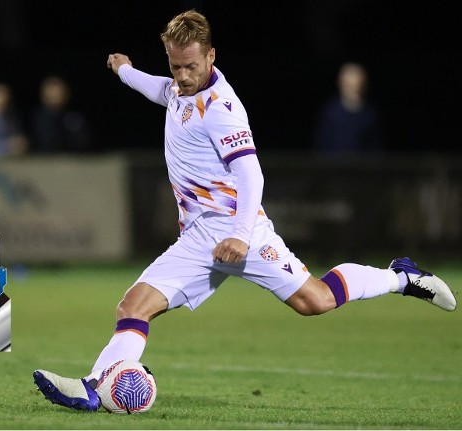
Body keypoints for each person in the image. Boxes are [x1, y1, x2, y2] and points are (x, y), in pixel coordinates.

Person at [32, 10, 457, 411]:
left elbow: (251, 174)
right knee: (132, 306)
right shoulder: (179, 89)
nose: (182, 76)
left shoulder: (221, 109)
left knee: (315, 300)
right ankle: (94, 388)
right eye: (175, 66)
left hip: (237, 231)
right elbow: (158, 88)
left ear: (211, 56)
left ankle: (401, 277)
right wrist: (124, 69)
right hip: (198, 238)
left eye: (190, 66)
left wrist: (240, 234)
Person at [313, 62, 382, 156]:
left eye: (355, 81)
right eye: (347, 82)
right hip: (332, 163)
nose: (351, 86)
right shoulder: (330, 112)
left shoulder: (370, 115)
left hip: (361, 164)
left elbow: (375, 150)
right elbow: (321, 145)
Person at [30, 76, 93, 153]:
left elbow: (84, 141)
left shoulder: (73, 116)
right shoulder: (37, 117)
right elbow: (45, 142)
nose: (55, 95)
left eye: (59, 92)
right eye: (51, 93)